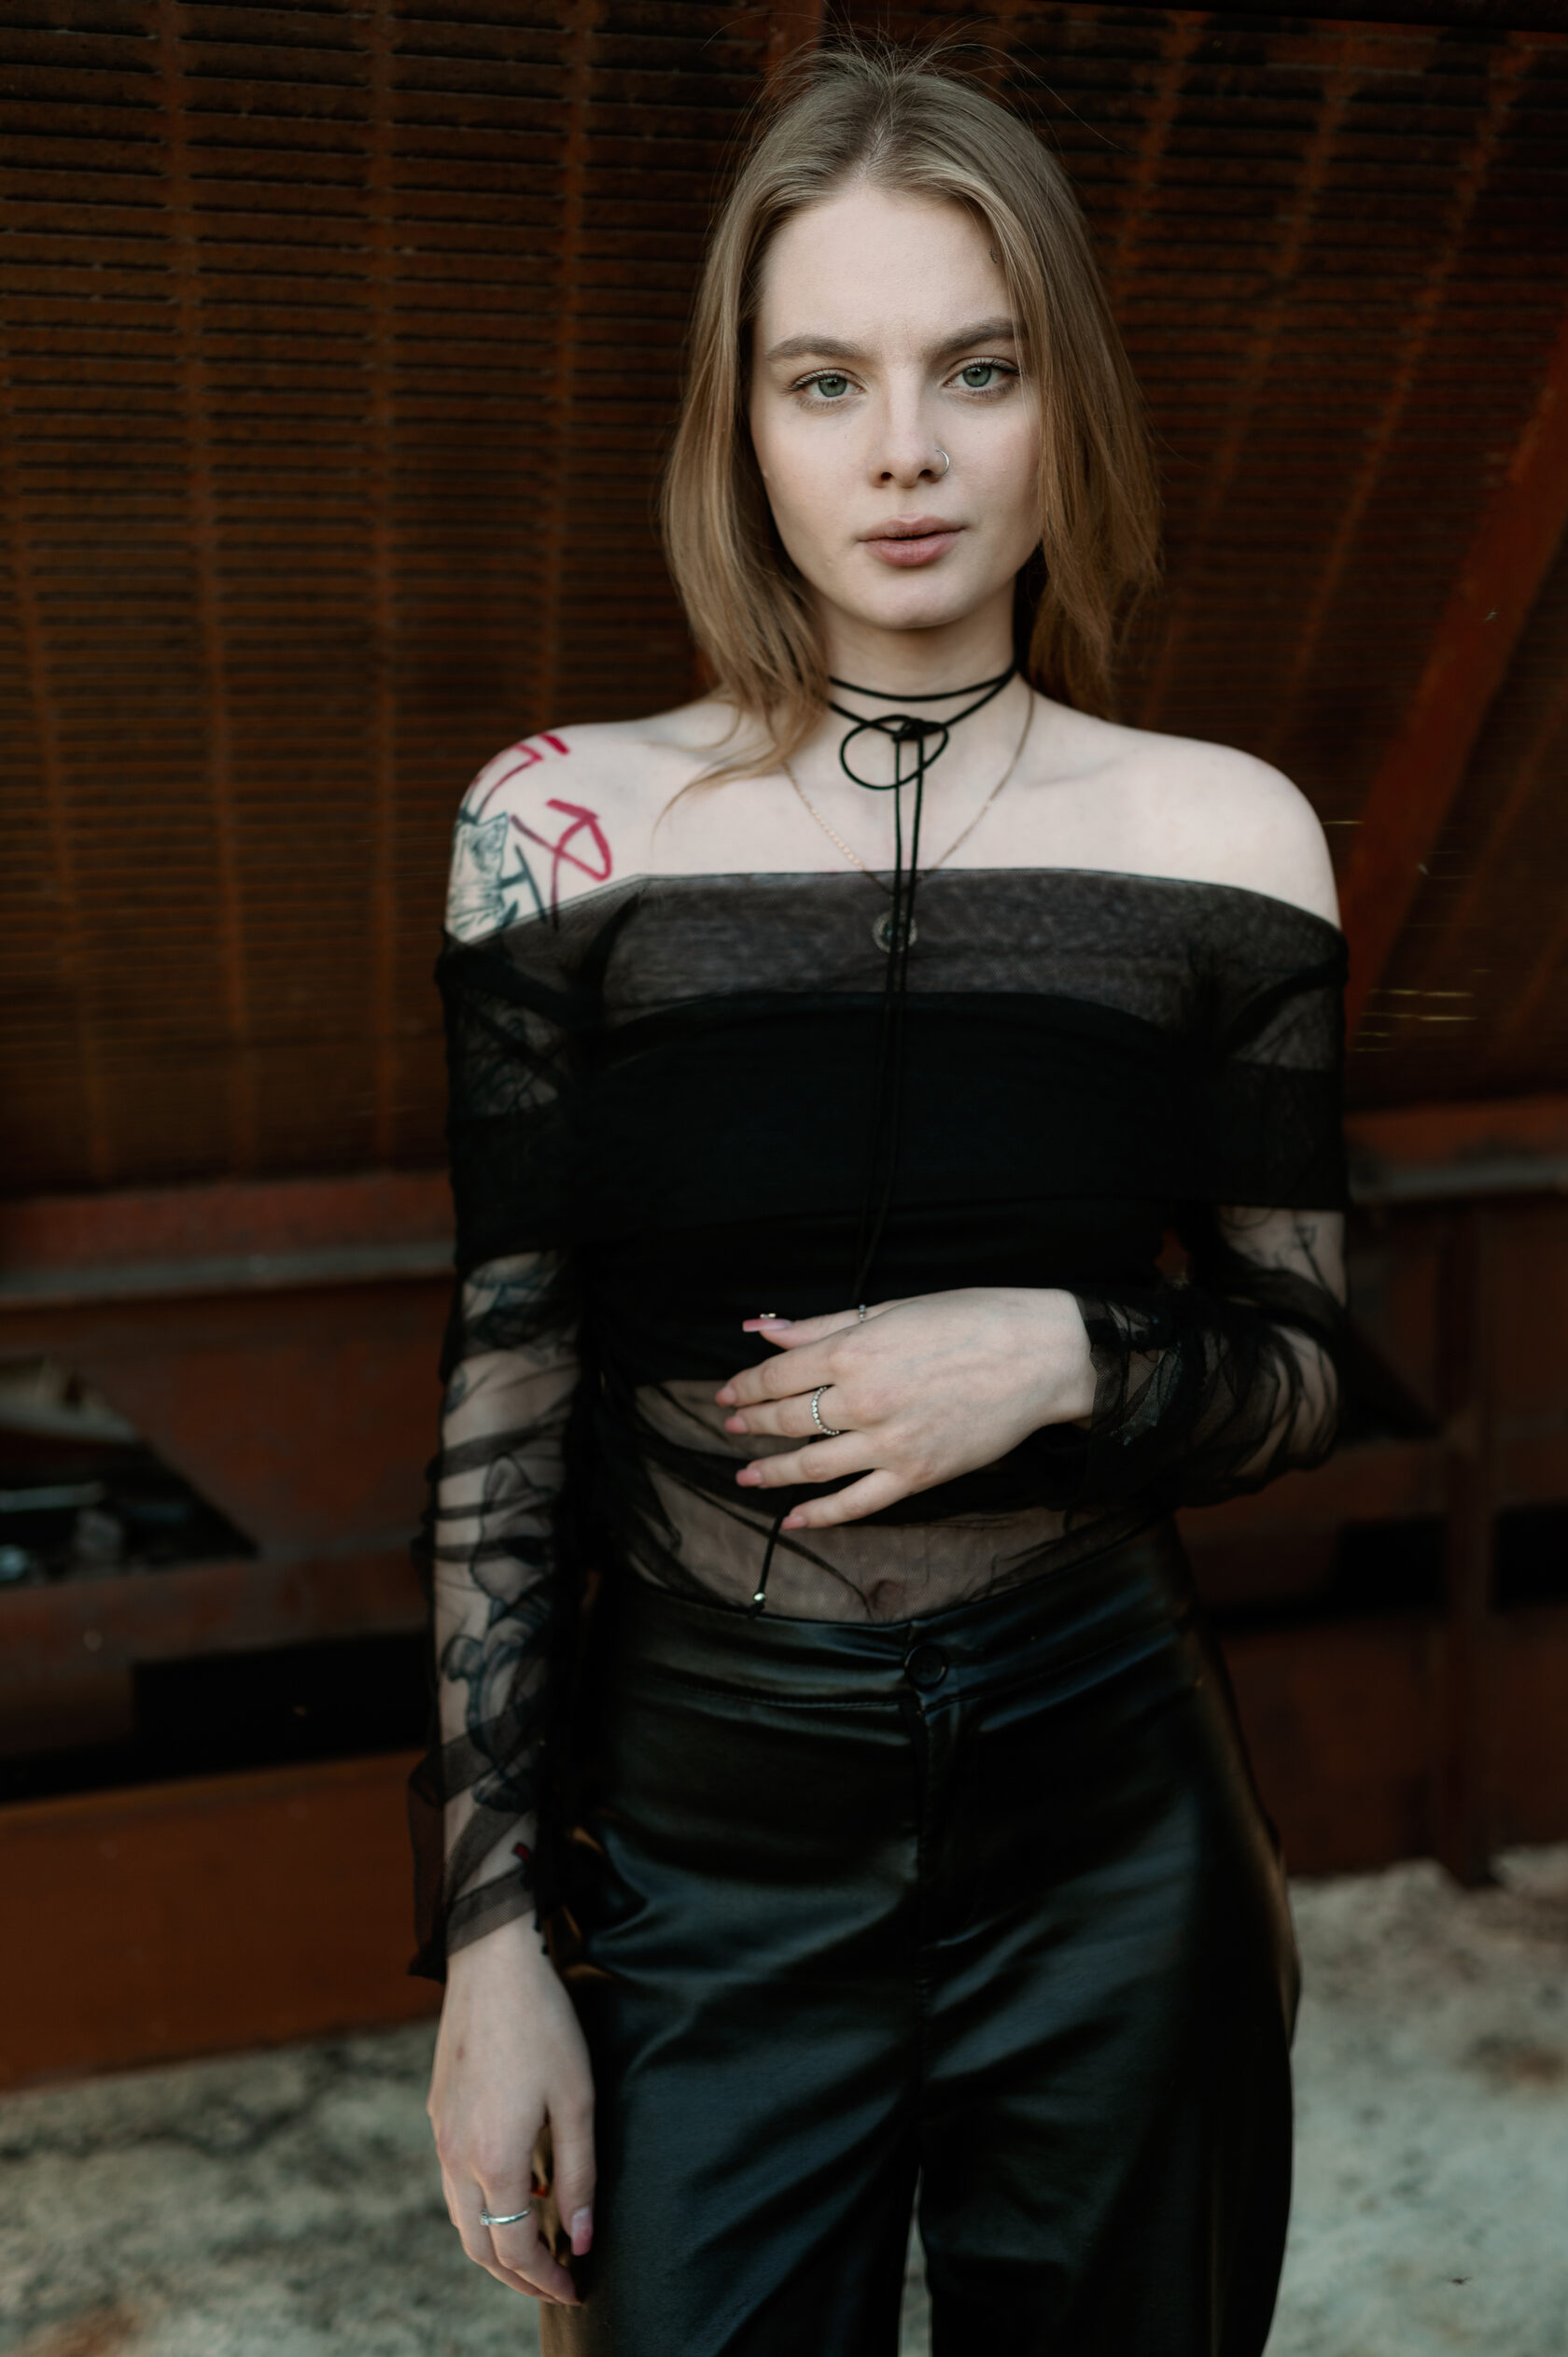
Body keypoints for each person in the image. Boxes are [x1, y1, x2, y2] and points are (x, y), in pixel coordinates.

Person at [413, 45, 1348, 2357]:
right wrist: (493, 1943)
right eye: (825, 379)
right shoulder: (559, 827)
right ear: (740, 424)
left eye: (977, 370)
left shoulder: (1227, 836)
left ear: (1063, 402)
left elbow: (1305, 1367)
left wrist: (1065, 1353)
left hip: (1114, 1828)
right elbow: (506, 1403)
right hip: (704, 1841)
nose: (904, 451)